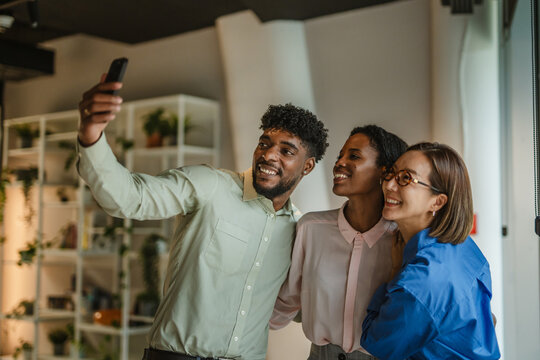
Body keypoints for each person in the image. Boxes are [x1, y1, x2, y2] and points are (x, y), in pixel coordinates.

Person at [76, 75, 329, 360]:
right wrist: (91, 134)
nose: (269, 155)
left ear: (307, 167)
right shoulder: (210, 185)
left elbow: (303, 304)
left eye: (286, 151)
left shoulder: (299, 229)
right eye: (264, 143)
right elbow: (131, 199)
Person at [270, 125, 407, 360]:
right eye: (339, 156)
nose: (339, 163)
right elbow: (286, 303)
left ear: (384, 172)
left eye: (353, 156)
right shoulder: (311, 228)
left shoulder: (403, 239)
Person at [361, 142, 500, 360]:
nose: (388, 185)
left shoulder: (420, 284)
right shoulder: (464, 246)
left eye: (406, 178)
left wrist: (396, 271)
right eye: (392, 173)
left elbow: (377, 341)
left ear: (437, 202)